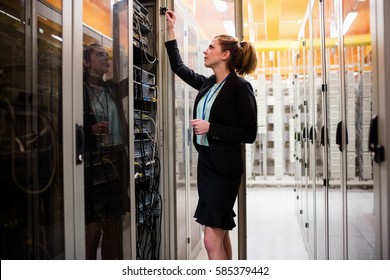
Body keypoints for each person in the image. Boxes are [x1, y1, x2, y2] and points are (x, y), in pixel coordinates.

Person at [165, 11, 258, 260]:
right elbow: (179, 67)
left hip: (224, 169)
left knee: (210, 238)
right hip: (206, 164)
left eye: (211, 46)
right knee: (221, 230)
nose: (206, 51)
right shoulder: (208, 84)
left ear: (225, 54)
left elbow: (249, 133)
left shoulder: (240, 88)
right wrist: (171, 31)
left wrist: (211, 128)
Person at [83, 43, 129, 259]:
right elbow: (66, 126)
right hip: (93, 164)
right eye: (100, 55)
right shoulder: (79, 90)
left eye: (107, 55)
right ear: (86, 62)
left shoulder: (111, 88)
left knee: (113, 225)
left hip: (116, 161)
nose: (106, 58)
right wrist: (89, 129)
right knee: (93, 228)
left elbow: (131, 83)